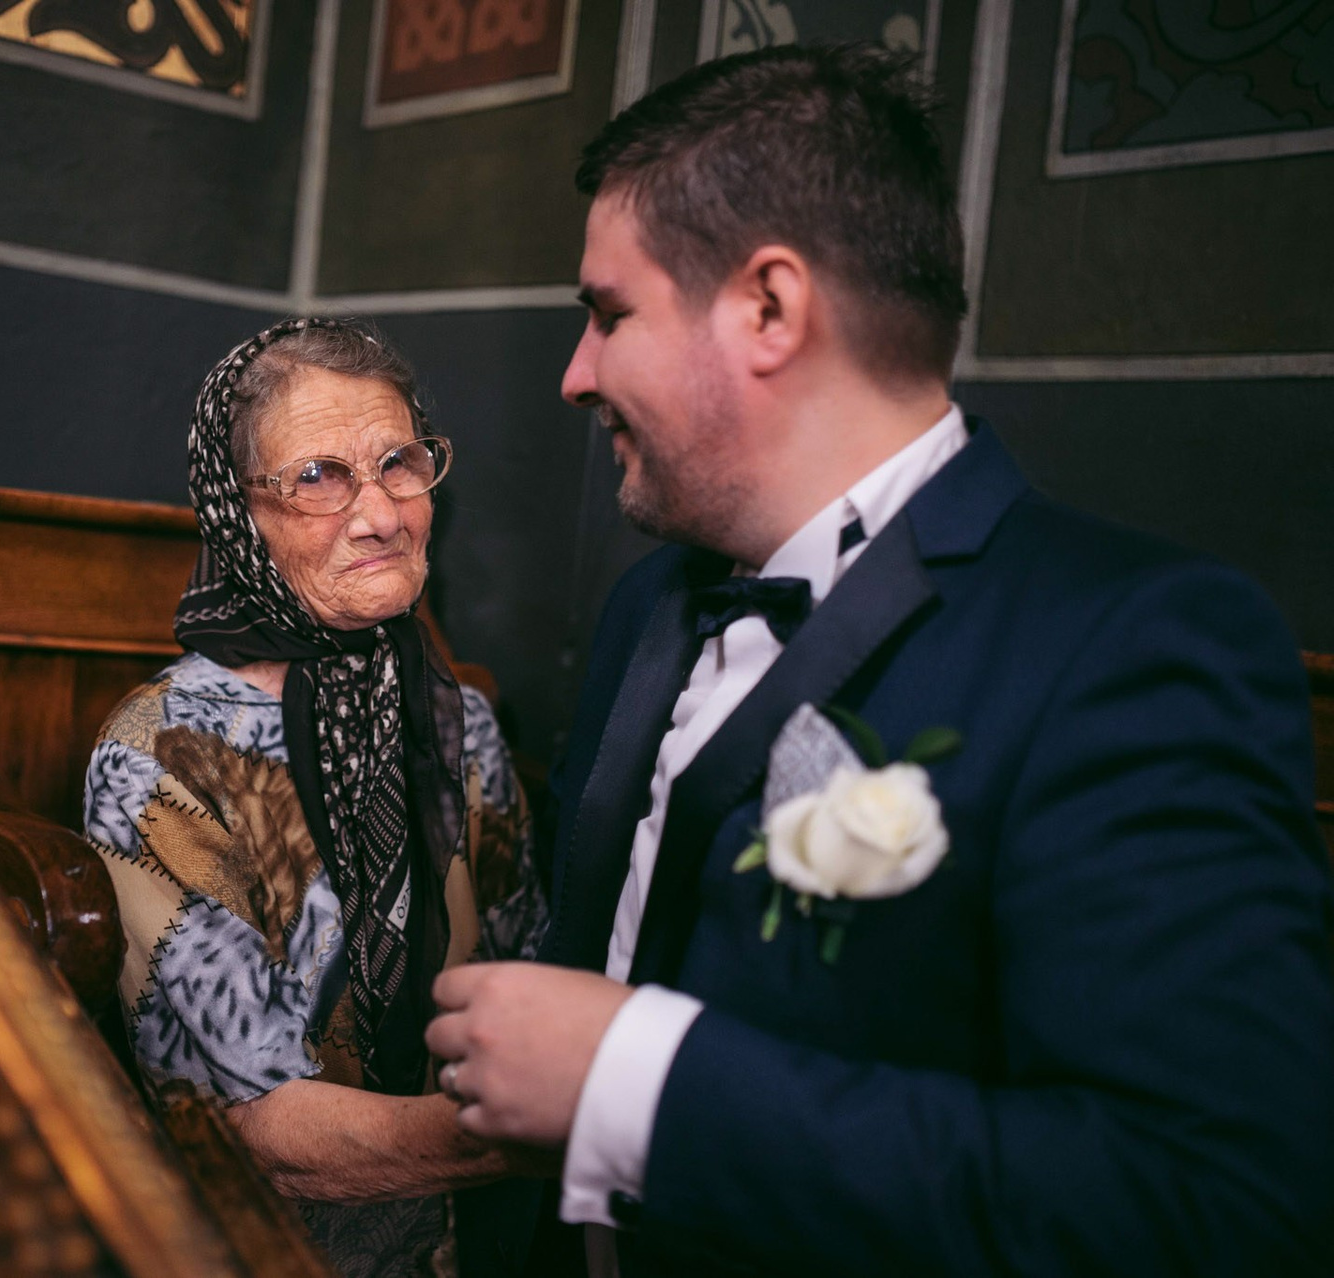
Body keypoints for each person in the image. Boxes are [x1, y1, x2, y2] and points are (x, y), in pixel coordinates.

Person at [426, 44, 1334, 1276]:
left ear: (769, 308)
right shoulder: (651, 604)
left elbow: (1214, 1207)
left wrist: (642, 1084)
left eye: (609, 313)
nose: (577, 376)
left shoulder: (1132, 648)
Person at [85, 317, 550, 1276]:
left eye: (399, 464)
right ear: (238, 514)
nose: (381, 515)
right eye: (317, 477)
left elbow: (527, 976)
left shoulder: (458, 719)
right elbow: (255, 1128)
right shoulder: (161, 758)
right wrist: (566, 1132)